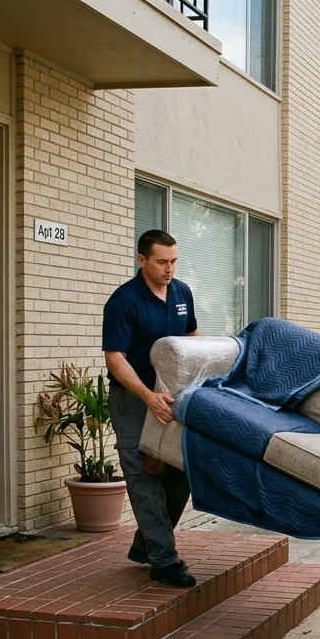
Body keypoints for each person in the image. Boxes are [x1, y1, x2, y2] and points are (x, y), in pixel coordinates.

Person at [103, 229, 200, 588]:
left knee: (181, 470)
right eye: (162, 262)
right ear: (142, 260)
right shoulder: (123, 301)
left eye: (173, 261)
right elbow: (115, 358)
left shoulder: (182, 293)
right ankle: (164, 560)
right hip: (133, 399)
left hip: (171, 396)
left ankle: (146, 544)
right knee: (143, 477)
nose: (169, 268)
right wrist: (148, 397)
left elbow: (192, 337)